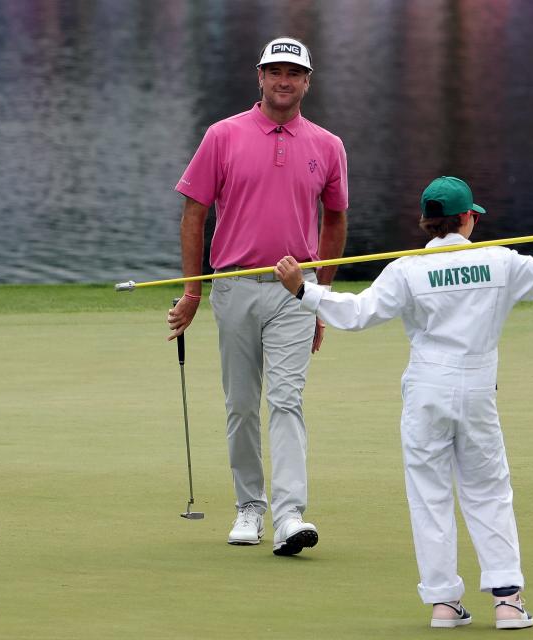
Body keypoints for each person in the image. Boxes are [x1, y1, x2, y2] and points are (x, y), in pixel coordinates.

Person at [274, 176, 533, 628]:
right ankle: (508, 601)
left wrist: (303, 289)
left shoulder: (407, 269)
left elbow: (356, 314)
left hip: (426, 391)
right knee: (488, 491)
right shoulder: (499, 261)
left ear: (426, 223)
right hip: (475, 390)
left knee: (429, 495)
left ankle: (442, 604)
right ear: (469, 218)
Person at [166, 36, 348, 556]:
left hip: (295, 292)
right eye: (275, 72)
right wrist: (192, 292)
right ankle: (250, 506)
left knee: (286, 401)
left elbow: (335, 220)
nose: (284, 81)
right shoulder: (222, 135)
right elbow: (194, 214)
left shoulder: (328, 145)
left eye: (294, 73)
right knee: (242, 404)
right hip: (234, 285)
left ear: (307, 82)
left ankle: (290, 516)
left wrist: (322, 297)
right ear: (260, 77)